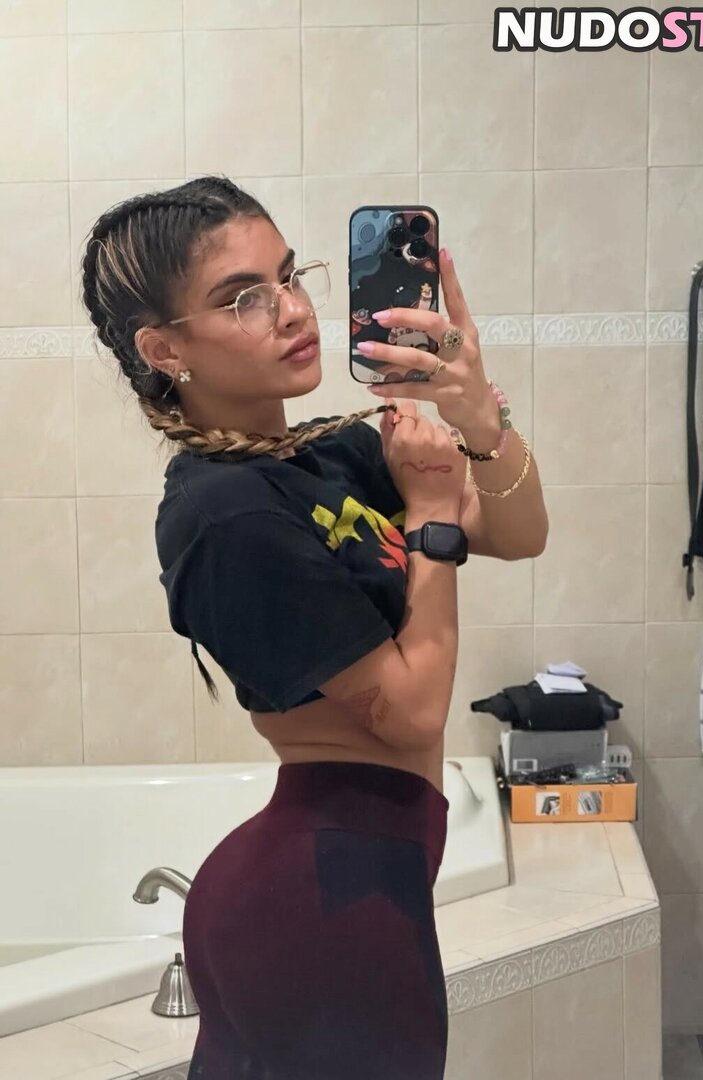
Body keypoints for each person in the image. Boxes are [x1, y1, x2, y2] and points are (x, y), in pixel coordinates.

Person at [79, 175, 545, 1079]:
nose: (293, 309)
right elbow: (410, 711)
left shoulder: (334, 453)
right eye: (242, 298)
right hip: (322, 902)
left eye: (289, 276)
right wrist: (429, 518)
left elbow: (520, 532)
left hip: (356, 875)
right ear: (164, 347)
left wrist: (476, 414)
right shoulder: (223, 516)